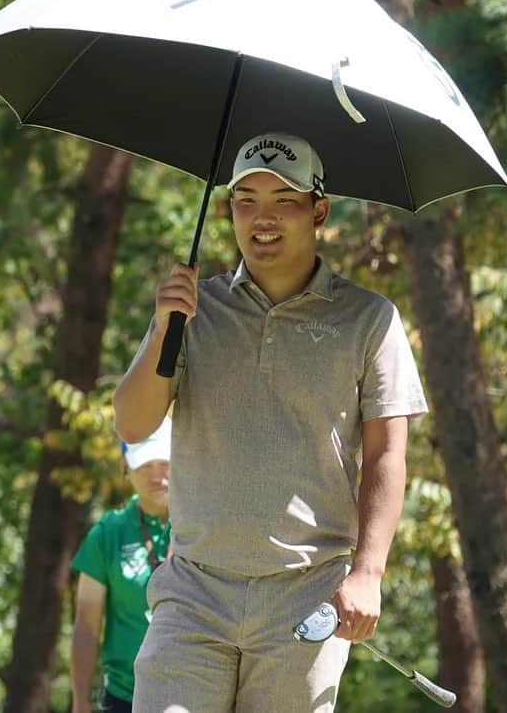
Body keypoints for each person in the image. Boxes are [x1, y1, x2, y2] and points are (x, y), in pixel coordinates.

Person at [114, 133, 428, 713]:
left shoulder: (370, 319)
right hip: (194, 590)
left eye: (283, 200)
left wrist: (368, 574)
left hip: (305, 596)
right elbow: (134, 425)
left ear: (318, 210)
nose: (262, 219)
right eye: (244, 200)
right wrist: (163, 327)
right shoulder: (191, 310)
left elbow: (388, 455)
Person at [71, 418, 172, 713]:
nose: (157, 475)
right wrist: (80, 701)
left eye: (164, 462)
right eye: (144, 464)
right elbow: (87, 625)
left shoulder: (203, 527)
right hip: (124, 698)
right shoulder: (107, 534)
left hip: (194, 694)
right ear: (126, 469)